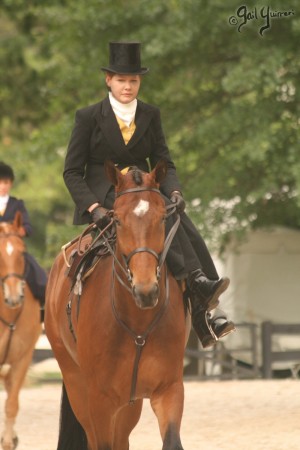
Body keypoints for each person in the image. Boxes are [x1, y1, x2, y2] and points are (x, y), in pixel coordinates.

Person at [63, 41, 235, 348]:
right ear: (108, 80)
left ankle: (203, 305)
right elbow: (72, 172)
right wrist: (92, 206)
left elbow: (164, 161)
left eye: (133, 81)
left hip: (144, 187)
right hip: (106, 192)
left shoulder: (151, 114)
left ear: (139, 82)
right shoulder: (87, 116)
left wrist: (176, 191)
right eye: (121, 80)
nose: (127, 87)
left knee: (176, 216)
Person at [0, 162, 47, 320]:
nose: (3, 186)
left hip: (14, 248)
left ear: (11, 183)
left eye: (6, 182)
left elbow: (27, 225)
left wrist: (22, 230)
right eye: (0, 182)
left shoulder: (17, 204)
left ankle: (43, 306)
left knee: (38, 274)